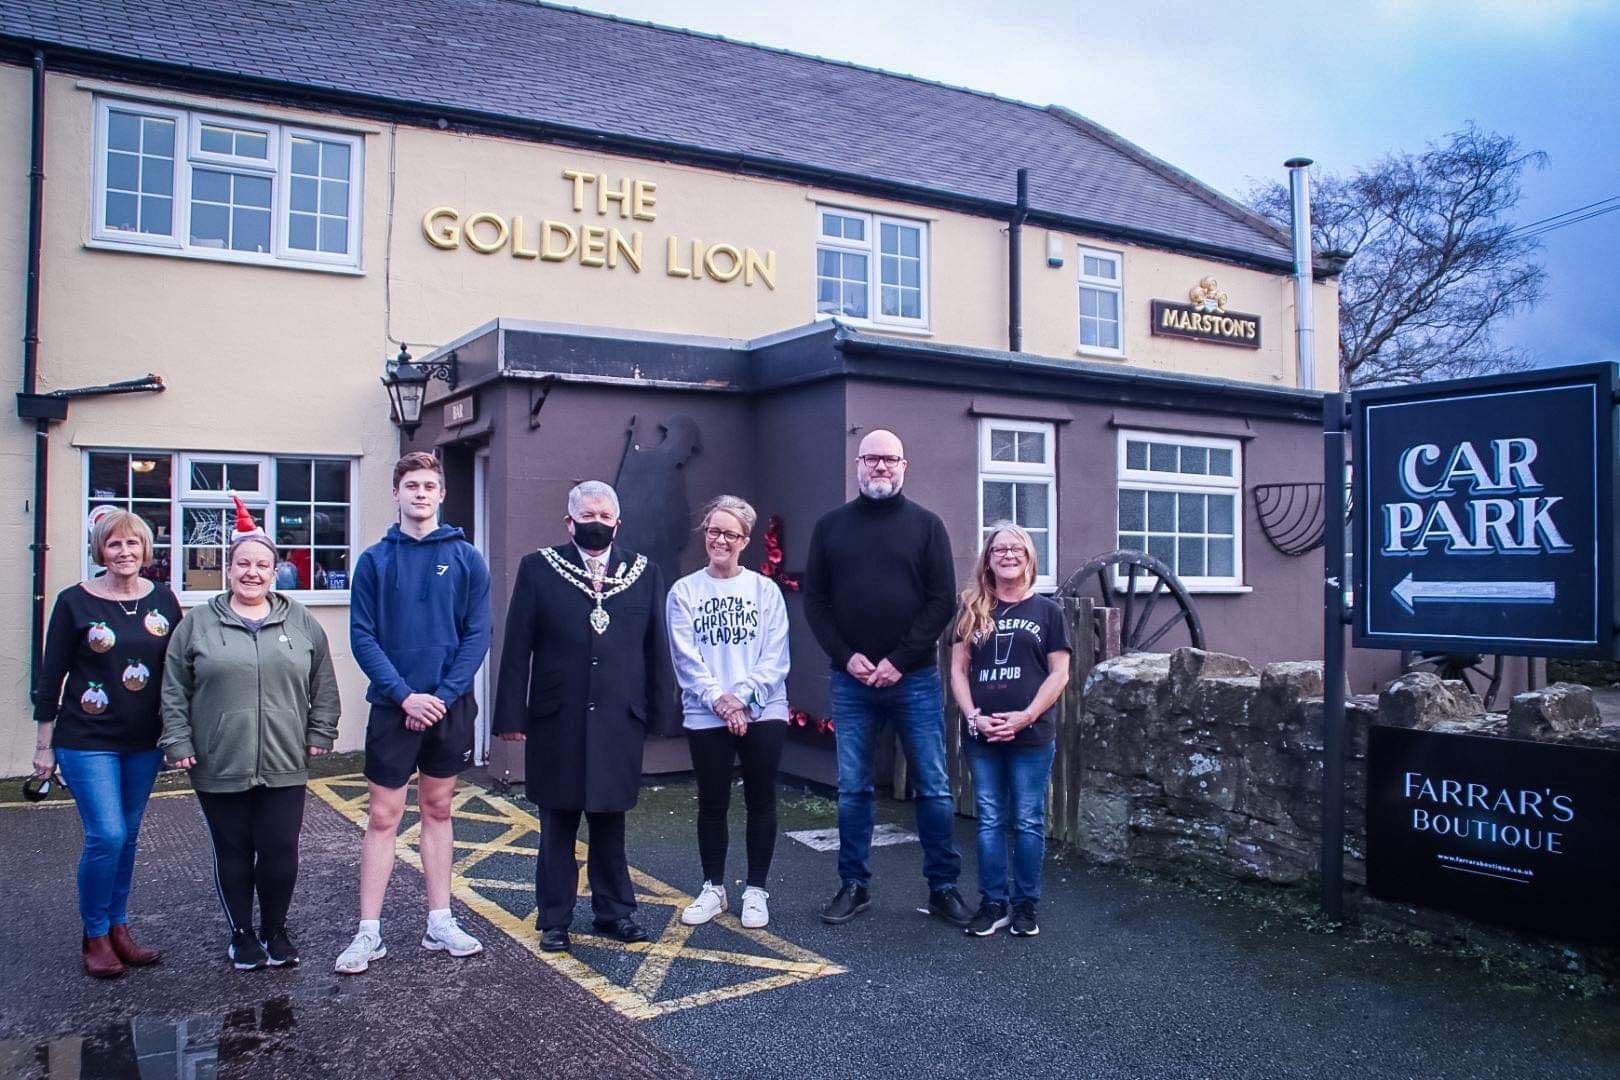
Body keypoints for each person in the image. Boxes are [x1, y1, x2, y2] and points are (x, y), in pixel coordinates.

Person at [493, 480, 677, 953]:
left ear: (618, 521)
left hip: (619, 718)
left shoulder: (644, 572)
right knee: (557, 821)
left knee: (610, 819)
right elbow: (517, 648)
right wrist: (512, 716)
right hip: (558, 718)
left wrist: (661, 715)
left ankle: (615, 912)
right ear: (569, 521)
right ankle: (555, 918)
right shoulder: (538, 569)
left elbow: (657, 647)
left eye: (604, 516)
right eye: (586, 516)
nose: (596, 524)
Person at [160, 501, 340, 971]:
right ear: (228, 568)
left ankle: (275, 929)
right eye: (243, 564)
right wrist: (177, 742)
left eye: (262, 564)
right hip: (219, 759)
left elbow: (323, 680)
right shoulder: (197, 623)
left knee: (280, 852)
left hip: (284, 759)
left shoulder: (300, 621)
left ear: (275, 569)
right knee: (234, 851)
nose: (253, 573)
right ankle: (241, 933)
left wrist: (322, 730)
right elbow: (174, 688)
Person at [804, 429, 970, 927]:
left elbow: (942, 600)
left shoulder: (927, 526)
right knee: (854, 788)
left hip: (913, 678)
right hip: (850, 679)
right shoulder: (831, 527)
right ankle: (854, 886)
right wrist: (847, 655)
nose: (880, 467)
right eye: (872, 458)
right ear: (858, 464)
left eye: (889, 459)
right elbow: (816, 602)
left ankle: (943, 889)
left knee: (934, 787)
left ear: (904, 465)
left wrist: (899, 659)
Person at [335, 452, 491, 976]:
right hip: (392, 706)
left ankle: (439, 922)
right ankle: (368, 933)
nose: (421, 494)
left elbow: (477, 636)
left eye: (429, 485)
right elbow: (362, 636)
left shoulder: (468, 558)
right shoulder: (375, 561)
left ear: (441, 494)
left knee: (439, 810)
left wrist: (441, 697)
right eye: (411, 486)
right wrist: (404, 696)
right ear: (396, 494)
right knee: (382, 817)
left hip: (448, 705)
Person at [32, 509, 183, 978]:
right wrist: (44, 746)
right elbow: (50, 674)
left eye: (133, 544)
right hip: (86, 737)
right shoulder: (74, 602)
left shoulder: (163, 599)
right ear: (100, 550)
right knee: (107, 834)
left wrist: (180, 735)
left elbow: (178, 671)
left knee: (129, 836)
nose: (124, 552)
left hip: (144, 740)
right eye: (114, 544)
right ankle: (94, 933)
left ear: (145, 550)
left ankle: (119, 928)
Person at [666, 496, 791, 929]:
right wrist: (720, 701)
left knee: (761, 799)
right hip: (706, 714)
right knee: (712, 801)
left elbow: (775, 658)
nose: (720, 540)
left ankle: (756, 890)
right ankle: (713, 888)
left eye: (730, 534)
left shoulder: (765, 591)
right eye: (713, 532)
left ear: (745, 541)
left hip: (764, 711)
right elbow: (686, 659)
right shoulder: (684, 592)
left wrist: (743, 700)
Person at [948, 523, 1071, 938]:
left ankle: (1025, 906)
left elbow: (1059, 674)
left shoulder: (1048, 612)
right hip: (983, 735)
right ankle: (993, 903)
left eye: (1016, 549)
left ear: (1029, 557)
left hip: (1031, 737)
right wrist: (973, 717)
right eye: (999, 549)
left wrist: (1026, 716)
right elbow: (958, 671)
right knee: (989, 820)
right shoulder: (970, 608)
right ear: (988, 558)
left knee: (1029, 820)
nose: (1008, 555)